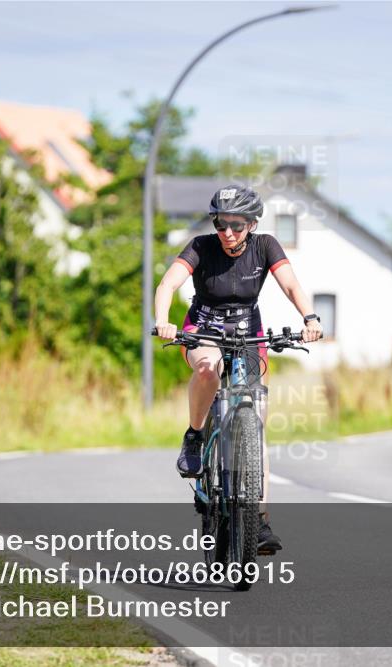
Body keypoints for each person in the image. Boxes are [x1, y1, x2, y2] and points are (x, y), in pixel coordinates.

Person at [154, 185, 323, 554]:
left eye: (236, 225)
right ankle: (196, 435)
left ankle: (259, 519)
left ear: (252, 224)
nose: (227, 232)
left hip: (248, 332)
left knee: (255, 424)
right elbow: (169, 282)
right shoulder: (200, 247)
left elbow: (291, 284)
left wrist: (309, 317)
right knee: (207, 370)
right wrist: (162, 320)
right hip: (204, 327)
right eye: (220, 223)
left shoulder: (266, 246)